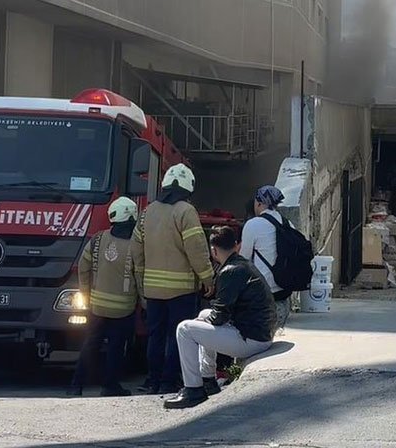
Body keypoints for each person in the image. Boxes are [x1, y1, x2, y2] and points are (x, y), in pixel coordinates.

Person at [164, 226, 277, 410]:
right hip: (260, 334)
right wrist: (203, 321)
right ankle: (207, 379)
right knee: (203, 315)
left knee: (184, 329)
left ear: (213, 251)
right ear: (236, 245)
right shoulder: (243, 265)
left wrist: (199, 324)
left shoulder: (229, 271)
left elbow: (220, 316)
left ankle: (193, 389)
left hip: (251, 340)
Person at [132, 163, 215, 394]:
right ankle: (170, 381)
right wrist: (208, 278)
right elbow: (196, 249)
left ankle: (152, 381)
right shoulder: (186, 211)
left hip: (152, 290)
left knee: (155, 336)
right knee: (177, 336)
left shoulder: (147, 212)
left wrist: (142, 282)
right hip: (182, 291)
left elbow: (136, 250)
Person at [67, 197, 140, 397]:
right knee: (116, 348)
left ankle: (76, 386)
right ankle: (110, 386)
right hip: (123, 309)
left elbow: (83, 267)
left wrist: (86, 294)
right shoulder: (136, 246)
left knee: (90, 345)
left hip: (97, 307)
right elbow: (140, 276)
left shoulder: (97, 239)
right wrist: (144, 302)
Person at [239, 185, 291, 328]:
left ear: (259, 203)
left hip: (262, 294)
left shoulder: (252, 225)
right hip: (284, 293)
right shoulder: (287, 223)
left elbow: (243, 260)